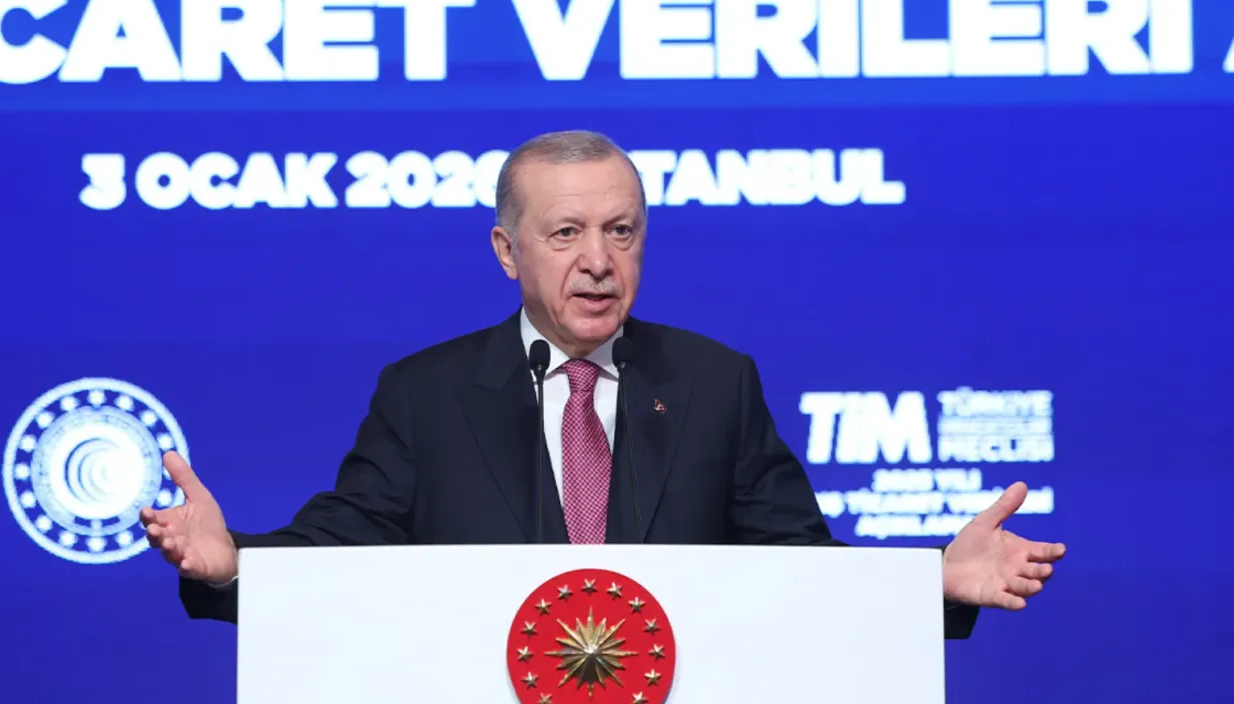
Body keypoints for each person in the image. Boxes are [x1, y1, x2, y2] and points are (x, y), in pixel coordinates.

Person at [142, 130, 1065, 636]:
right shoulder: (424, 394)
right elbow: (342, 552)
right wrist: (235, 564)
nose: (598, 261)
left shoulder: (714, 382)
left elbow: (801, 571)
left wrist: (933, 583)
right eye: (566, 234)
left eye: (621, 232)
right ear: (507, 251)